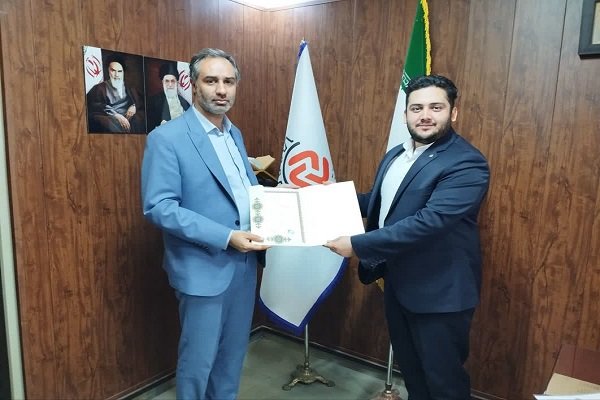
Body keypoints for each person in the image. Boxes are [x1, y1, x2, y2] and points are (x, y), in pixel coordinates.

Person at [325, 75, 490, 400]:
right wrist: (320, 197)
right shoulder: (397, 155)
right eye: (416, 108)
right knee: (414, 378)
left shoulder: (467, 162)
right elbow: (379, 203)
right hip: (399, 287)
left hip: (440, 295)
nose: (425, 115)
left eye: (435, 107)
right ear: (405, 115)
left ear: (453, 113)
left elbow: (429, 222)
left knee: (444, 385)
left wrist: (356, 245)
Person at [141, 48, 269, 400]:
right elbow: (159, 207)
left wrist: (277, 199)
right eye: (211, 81)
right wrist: (226, 236)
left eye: (229, 81)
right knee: (198, 363)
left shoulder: (234, 133)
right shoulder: (166, 138)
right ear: (193, 85)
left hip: (244, 266)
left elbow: (243, 190)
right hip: (202, 269)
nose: (221, 90)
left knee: (232, 357)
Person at [86, 55, 145, 133]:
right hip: (110, 118)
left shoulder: (130, 88)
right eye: (113, 70)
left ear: (123, 72)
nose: (116, 75)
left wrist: (134, 106)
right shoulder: (99, 88)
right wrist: (116, 115)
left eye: (119, 71)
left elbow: (141, 103)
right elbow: (95, 106)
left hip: (129, 119)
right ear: (108, 70)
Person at [146, 62, 190, 131]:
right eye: (167, 81)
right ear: (162, 82)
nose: (170, 85)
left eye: (172, 81)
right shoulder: (154, 102)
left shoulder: (185, 103)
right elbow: (149, 127)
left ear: (177, 83)